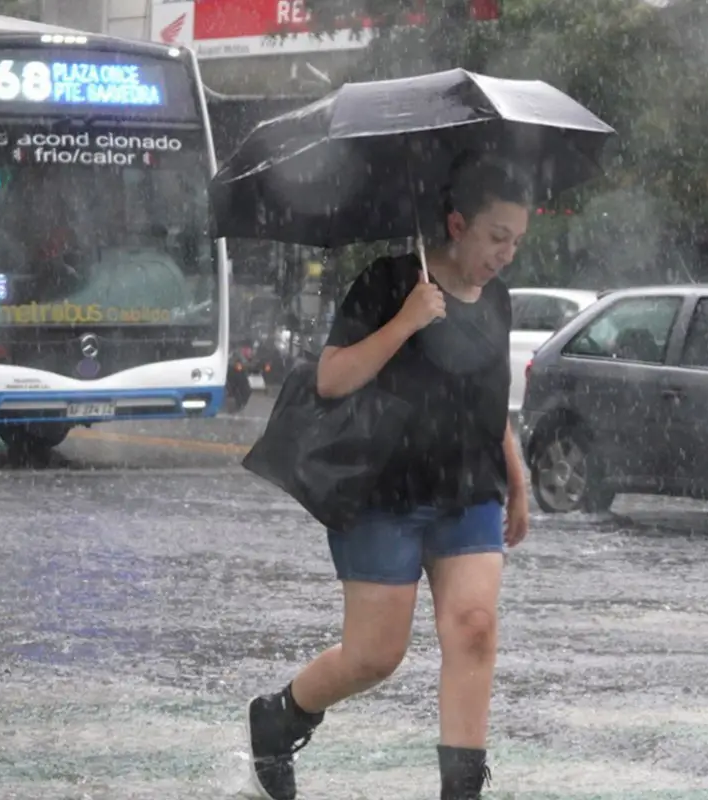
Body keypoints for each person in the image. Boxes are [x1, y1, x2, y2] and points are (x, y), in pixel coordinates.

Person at [245, 158, 531, 800]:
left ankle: (462, 792)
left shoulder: (499, 301)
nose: (506, 254)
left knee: (474, 628)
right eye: (497, 237)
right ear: (457, 224)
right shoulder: (388, 281)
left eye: (516, 241)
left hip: (469, 492)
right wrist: (406, 321)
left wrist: (517, 481)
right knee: (374, 656)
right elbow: (330, 379)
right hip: (383, 494)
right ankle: (281, 716)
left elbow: (492, 405)